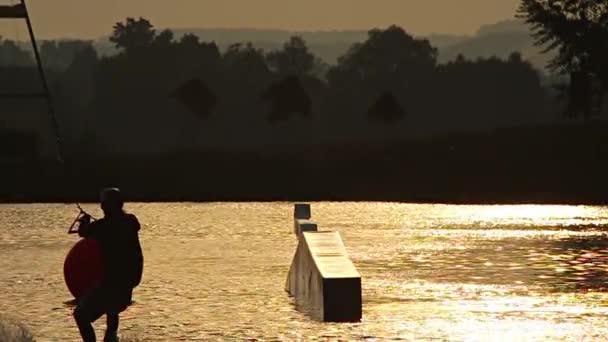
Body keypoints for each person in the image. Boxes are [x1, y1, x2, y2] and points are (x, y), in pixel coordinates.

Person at [73, 188, 144, 342]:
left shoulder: (101, 227)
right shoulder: (131, 221)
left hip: (110, 285)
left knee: (80, 315)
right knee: (112, 311)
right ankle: (110, 338)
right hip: (126, 287)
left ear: (104, 206)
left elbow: (83, 232)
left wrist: (84, 222)